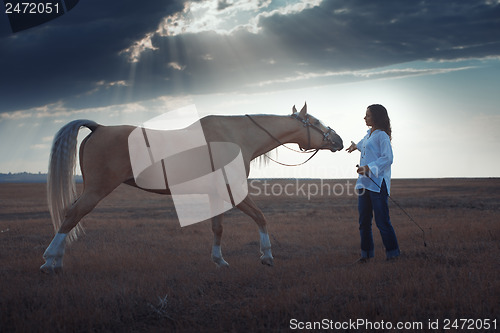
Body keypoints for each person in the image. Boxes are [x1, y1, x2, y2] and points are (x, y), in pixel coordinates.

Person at [346, 104, 400, 262]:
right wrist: (354, 146)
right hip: (363, 184)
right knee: (364, 222)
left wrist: (368, 168)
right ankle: (366, 255)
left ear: (376, 117)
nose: (365, 118)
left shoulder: (382, 136)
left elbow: (388, 158)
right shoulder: (368, 134)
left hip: (377, 183)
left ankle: (393, 254)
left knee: (382, 221)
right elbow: (363, 145)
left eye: (368, 115)